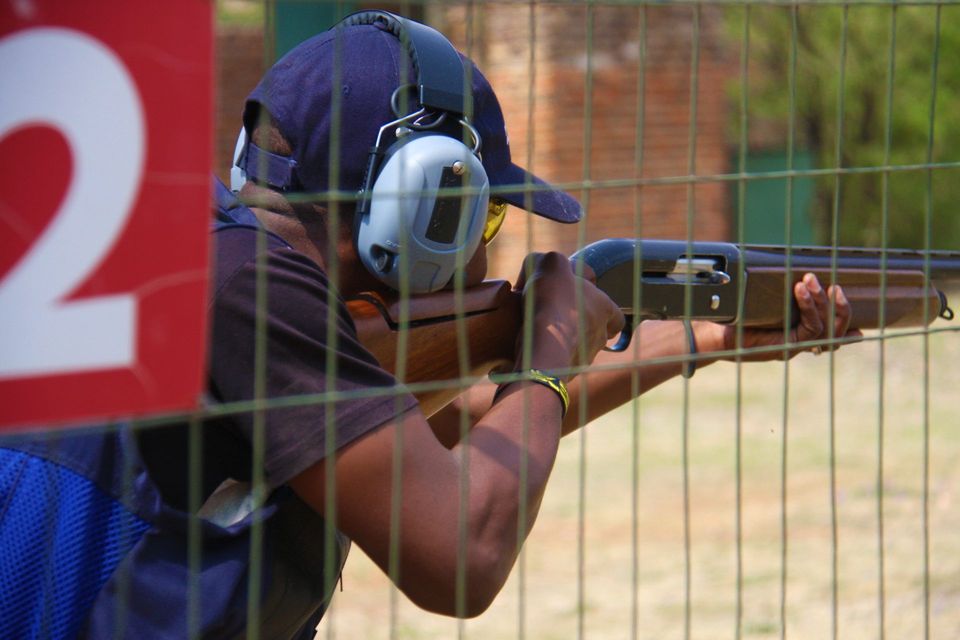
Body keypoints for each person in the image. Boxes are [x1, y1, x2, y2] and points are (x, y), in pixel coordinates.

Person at [0, 11, 859, 640]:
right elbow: (459, 557)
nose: (484, 253)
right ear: (422, 206)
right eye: (483, 217)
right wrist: (548, 354)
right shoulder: (254, 291)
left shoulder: (211, 260)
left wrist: (705, 339)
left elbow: (439, 429)